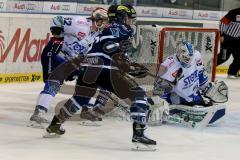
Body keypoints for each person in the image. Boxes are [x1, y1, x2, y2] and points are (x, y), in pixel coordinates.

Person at [45, 4, 156, 150]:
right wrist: (128, 67)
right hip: (105, 70)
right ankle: (139, 135)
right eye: (129, 18)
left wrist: (128, 66)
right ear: (121, 17)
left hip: (87, 69)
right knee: (139, 94)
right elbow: (109, 48)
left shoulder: (103, 28)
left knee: (80, 99)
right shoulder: (123, 29)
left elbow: (108, 50)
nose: (131, 22)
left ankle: (55, 124)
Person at [29, 8, 109, 127]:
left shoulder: (96, 34)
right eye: (102, 21)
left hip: (69, 61)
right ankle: (38, 114)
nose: (104, 24)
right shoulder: (81, 23)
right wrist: (58, 39)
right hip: (55, 54)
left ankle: (86, 110)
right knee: (54, 84)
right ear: (96, 19)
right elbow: (57, 20)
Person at [153, 41, 212, 107]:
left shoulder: (197, 56)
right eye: (186, 58)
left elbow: (201, 75)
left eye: (191, 58)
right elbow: (159, 93)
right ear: (179, 54)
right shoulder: (167, 67)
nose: (189, 62)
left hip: (194, 97)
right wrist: (166, 105)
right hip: (178, 104)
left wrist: (207, 89)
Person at [217, 8, 240, 79]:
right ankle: (207, 68)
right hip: (227, 39)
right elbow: (223, 22)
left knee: (239, 57)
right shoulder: (234, 12)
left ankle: (232, 73)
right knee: (223, 57)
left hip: (237, 40)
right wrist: (222, 35)